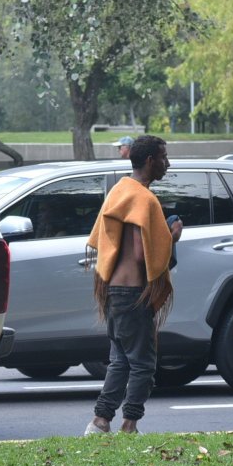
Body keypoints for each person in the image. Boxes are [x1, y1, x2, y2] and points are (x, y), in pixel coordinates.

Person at [84, 134, 181, 435]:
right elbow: (142, 254)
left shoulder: (120, 190)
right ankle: (129, 425)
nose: (167, 163)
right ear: (150, 160)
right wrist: (171, 235)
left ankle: (100, 423)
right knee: (142, 365)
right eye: (164, 157)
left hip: (113, 289)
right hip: (133, 293)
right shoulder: (144, 199)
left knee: (120, 361)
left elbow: (104, 240)